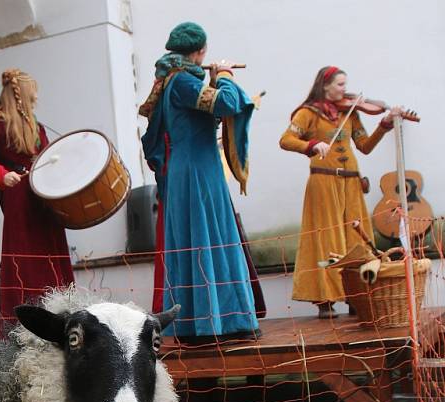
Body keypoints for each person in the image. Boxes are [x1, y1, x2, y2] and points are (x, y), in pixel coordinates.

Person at [139, 22, 263, 343]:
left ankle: (210, 320)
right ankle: (210, 324)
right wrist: (225, 75)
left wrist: (213, 79)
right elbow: (227, 103)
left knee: (203, 238)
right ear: (200, 51)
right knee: (210, 236)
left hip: (191, 167)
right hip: (197, 170)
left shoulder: (174, 79)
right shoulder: (181, 81)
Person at [279, 66, 402, 318]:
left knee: (357, 239)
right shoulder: (308, 113)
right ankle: (326, 298)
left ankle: (357, 296)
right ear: (325, 86)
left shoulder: (351, 113)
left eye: (345, 84)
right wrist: (312, 145)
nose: (345, 90)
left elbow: (364, 146)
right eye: (340, 85)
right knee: (327, 237)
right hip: (324, 182)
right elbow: (286, 140)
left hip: (352, 183)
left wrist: (384, 124)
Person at [0, 69, 74, 337]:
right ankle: (23, 323)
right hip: (19, 200)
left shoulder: (36, 126)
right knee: (24, 258)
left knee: (50, 250)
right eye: (33, 94)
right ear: (24, 95)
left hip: (43, 198)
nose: (36, 99)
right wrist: (2, 175)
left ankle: (58, 314)